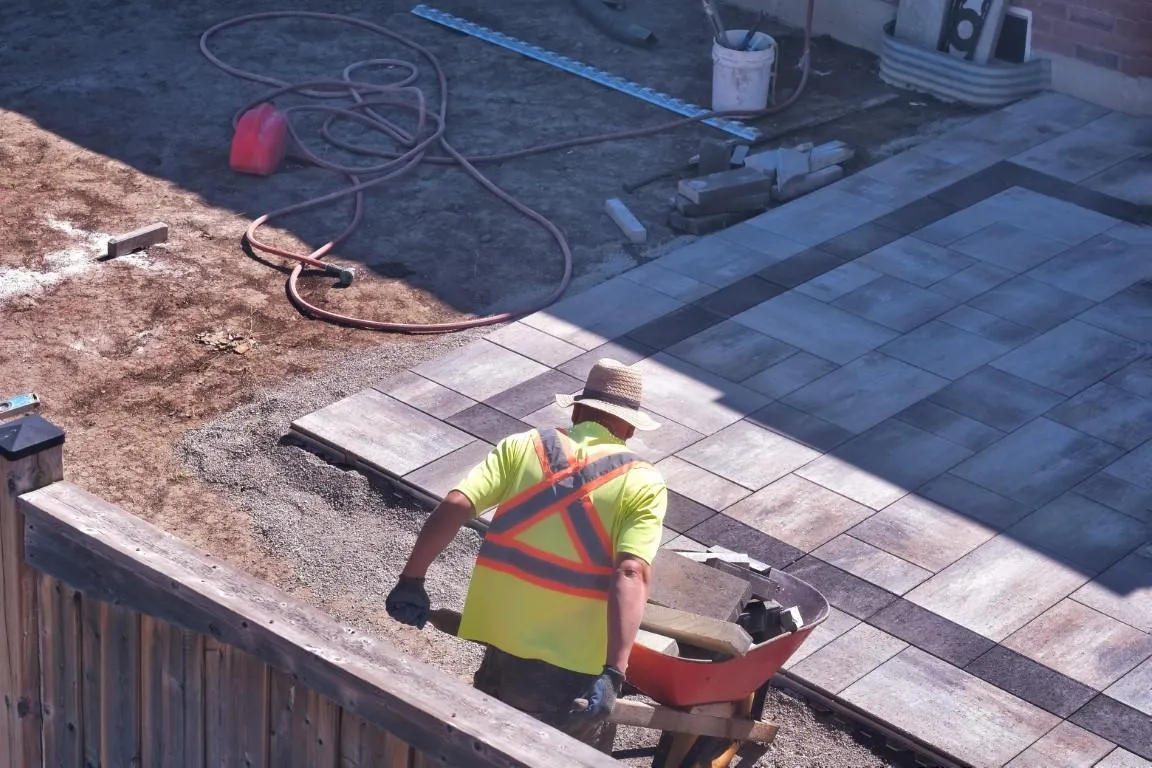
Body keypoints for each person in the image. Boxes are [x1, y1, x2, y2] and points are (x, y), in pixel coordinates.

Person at [386, 358, 668, 753]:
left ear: (576, 408)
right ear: (631, 427)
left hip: (501, 642)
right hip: (574, 665)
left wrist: (411, 580)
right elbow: (631, 572)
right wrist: (614, 673)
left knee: (485, 743)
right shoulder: (642, 481)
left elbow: (454, 505)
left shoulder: (522, 447)